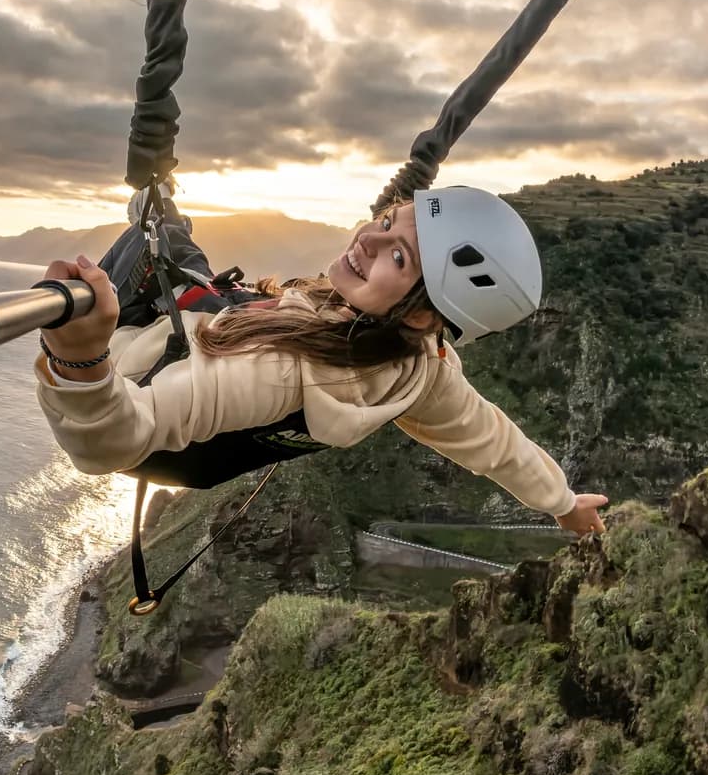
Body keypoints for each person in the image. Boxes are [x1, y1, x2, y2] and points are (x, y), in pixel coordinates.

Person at [34, 186, 608, 535]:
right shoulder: (421, 365)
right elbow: (496, 442)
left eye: (400, 256)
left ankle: (154, 220)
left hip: (141, 378)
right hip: (212, 359)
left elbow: (108, 444)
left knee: (147, 237)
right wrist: (561, 503)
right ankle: (168, 223)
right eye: (386, 222)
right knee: (179, 244)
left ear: (419, 316)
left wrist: (80, 355)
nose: (368, 239)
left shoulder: (279, 371)